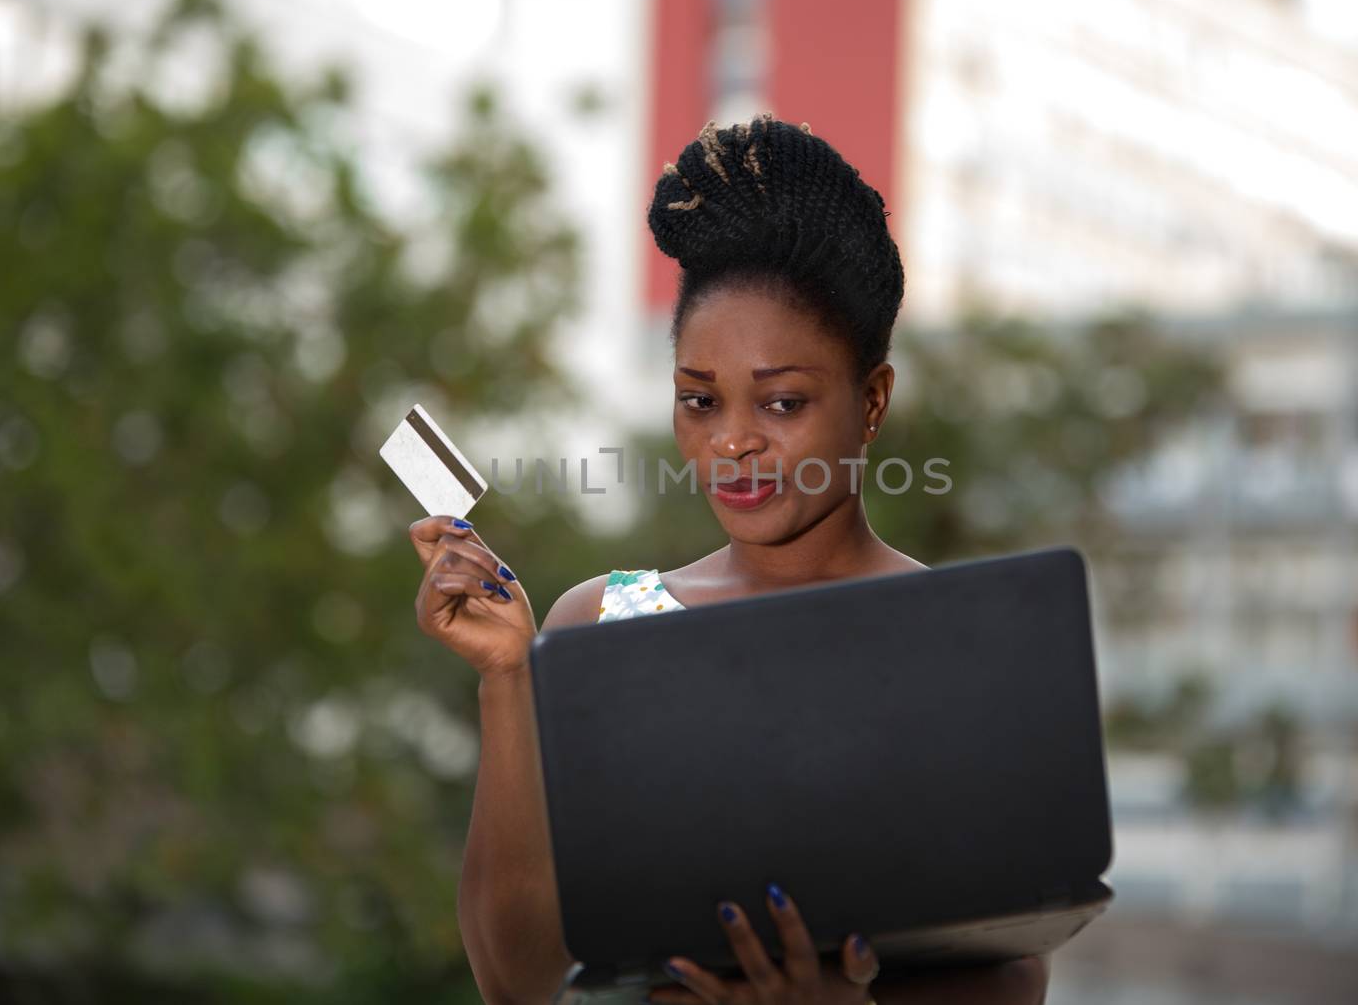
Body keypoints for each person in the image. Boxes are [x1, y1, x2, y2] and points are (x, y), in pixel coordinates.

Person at [407, 115, 1050, 1005]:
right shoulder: (600, 625)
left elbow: (1013, 972)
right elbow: (517, 982)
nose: (732, 441)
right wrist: (508, 677)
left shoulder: (955, 646)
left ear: (872, 402)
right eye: (699, 400)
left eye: (782, 402)